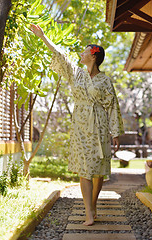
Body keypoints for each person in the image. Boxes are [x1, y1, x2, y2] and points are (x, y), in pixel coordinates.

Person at [30, 24, 124, 226]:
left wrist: (115, 133)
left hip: (99, 126)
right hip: (81, 126)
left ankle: (93, 204)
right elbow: (61, 55)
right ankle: (89, 212)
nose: (81, 53)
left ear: (94, 56)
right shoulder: (77, 74)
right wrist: (43, 37)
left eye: (85, 51)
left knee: (98, 170)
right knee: (85, 169)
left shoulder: (105, 81)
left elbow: (112, 106)